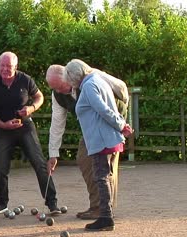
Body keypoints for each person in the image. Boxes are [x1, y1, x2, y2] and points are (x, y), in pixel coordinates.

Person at [46, 64, 129, 220]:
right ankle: (100, 207)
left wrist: (121, 119)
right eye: (54, 88)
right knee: (85, 160)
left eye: (60, 86)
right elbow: (57, 124)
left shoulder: (91, 78)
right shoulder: (58, 94)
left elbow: (122, 88)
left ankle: (103, 210)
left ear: (68, 77)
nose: (59, 91)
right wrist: (53, 153)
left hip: (111, 121)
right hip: (92, 126)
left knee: (104, 166)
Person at [0, 51, 61, 215]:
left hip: (25, 127)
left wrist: (31, 108)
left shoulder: (25, 79)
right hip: (4, 129)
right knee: (1, 167)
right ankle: (1, 202)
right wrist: (2, 125)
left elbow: (39, 97)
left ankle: (52, 203)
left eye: (9, 66)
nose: (5, 69)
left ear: (15, 67)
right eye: (2, 66)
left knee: (39, 163)